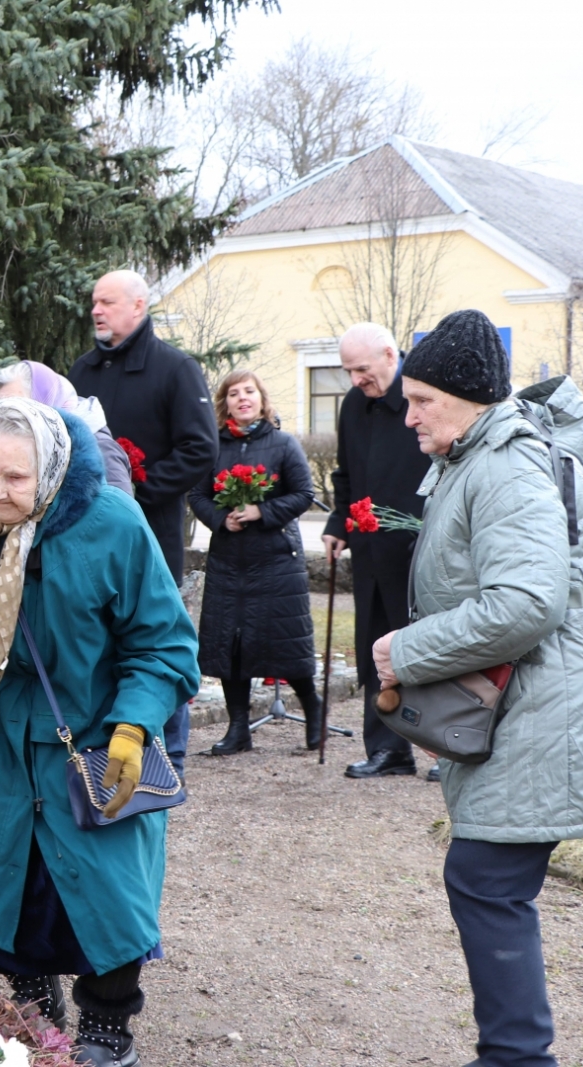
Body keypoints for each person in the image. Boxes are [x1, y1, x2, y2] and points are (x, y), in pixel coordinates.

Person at [373, 309, 583, 1067]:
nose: (407, 416)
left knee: (485, 877)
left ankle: (517, 1058)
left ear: (469, 398)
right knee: (486, 876)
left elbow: (526, 603)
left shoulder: (504, 464)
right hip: (541, 695)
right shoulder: (479, 453)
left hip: (555, 698)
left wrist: (406, 650)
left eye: (421, 401)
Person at [0, 398, 199, 1067]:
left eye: (15, 479)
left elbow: (163, 643)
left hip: (92, 732)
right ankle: (35, 1002)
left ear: (51, 472)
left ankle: (108, 1022)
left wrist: (131, 728)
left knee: (107, 895)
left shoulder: (111, 523)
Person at [69, 270, 216, 778]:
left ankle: (168, 752)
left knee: (154, 638)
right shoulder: (82, 373)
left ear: (138, 305)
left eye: (107, 301)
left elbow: (200, 448)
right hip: (85, 536)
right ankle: (101, 741)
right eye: (93, 301)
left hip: (152, 530)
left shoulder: (176, 369)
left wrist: (135, 490)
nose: (96, 310)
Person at [187, 370, 321, 754]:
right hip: (230, 562)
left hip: (276, 561)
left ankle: (314, 711)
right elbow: (197, 495)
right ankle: (238, 729)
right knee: (231, 646)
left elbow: (303, 494)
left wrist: (260, 511)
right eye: (233, 393)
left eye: (249, 391)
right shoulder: (213, 447)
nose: (242, 398)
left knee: (286, 646)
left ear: (261, 400)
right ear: (224, 403)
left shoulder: (283, 444)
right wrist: (221, 518)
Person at [320, 322, 432, 781]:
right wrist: (335, 523)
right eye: (348, 371)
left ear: (390, 355)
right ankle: (388, 749)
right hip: (370, 550)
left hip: (421, 549)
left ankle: (451, 748)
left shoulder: (424, 396)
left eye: (361, 369)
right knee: (375, 650)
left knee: (431, 649)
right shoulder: (353, 405)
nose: (355, 380)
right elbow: (347, 473)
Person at [0, 361, 133, 494]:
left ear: (45, 401)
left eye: (17, 409)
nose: (6, 420)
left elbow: (123, 515)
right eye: (1, 409)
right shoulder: (37, 443)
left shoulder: (101, 448)